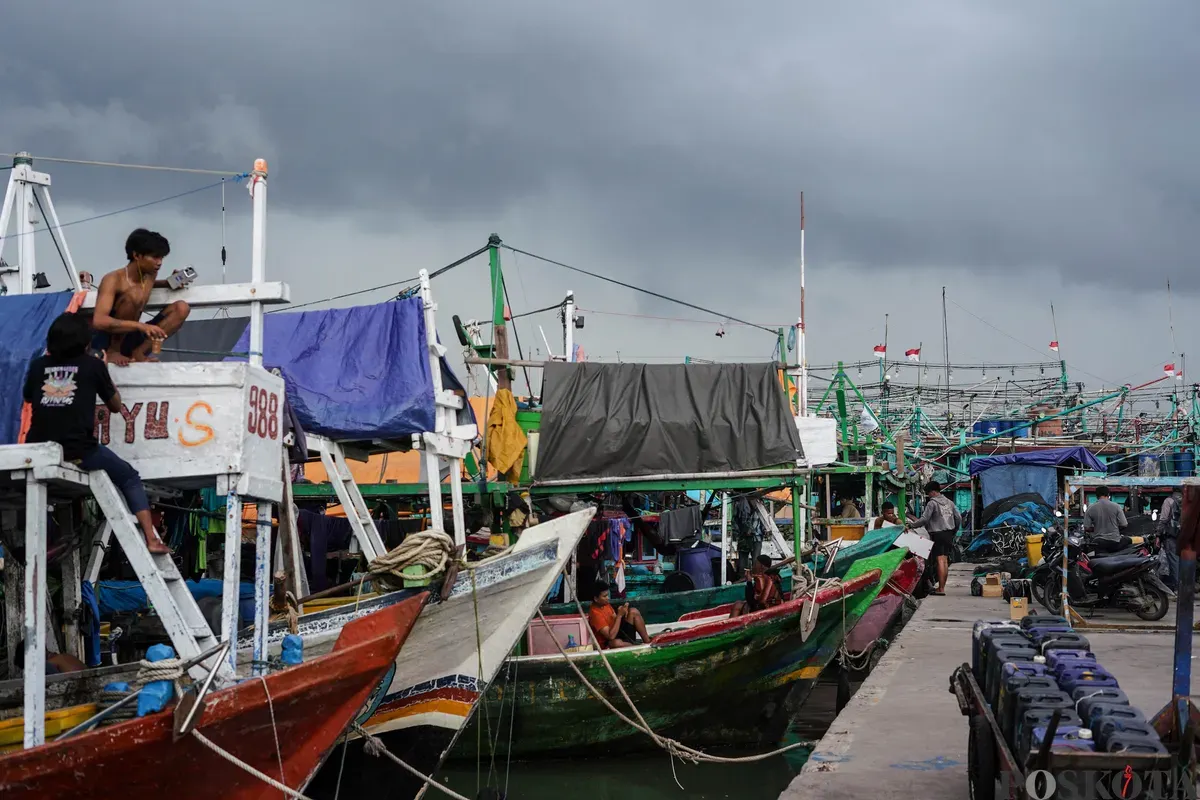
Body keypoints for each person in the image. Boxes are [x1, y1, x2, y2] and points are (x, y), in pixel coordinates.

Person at [23, 313, 170, 554]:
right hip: (77, 449)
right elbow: (114, 406)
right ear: (85, 341)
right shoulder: (92, 365)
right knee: (129, 477)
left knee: (36, 495)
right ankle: (152, 540)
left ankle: (47, 541)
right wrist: (103, 370)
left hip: (38, 447)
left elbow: (28, 397)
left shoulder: (39, 365)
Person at [90, 228, 190, 365]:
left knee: (182, 308)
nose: (159, 262)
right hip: (107, 341)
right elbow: (99, 321)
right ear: (137, 255)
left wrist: (170, 282)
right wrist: (140, 326)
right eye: (155, 257)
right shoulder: (113, 279)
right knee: (131, 297)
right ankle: (114, 351)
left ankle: (139, 352)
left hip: (133, 336)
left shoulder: (150, 274)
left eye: (161, 257)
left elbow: (142, 285)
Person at [906, 481, 961, 596]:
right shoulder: (949, 503)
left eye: (928, 493)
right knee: (945, 560)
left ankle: (941, 589)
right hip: (948, 533)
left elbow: (924, 519)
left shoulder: (932, 503)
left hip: (938, 534)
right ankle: (942, 587)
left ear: (932, 492)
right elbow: (958, 517)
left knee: (940, 560)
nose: (928, 495)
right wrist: (954, 531)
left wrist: (911, 525)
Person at [587, 582, 652, 648]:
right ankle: (637, 646)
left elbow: (615, 619)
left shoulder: (605, 604)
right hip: (608, 643)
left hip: (618, 633)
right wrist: (619, 615)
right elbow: (610, 636)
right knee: (616, 643)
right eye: (604, 596)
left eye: (607, 595)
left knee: (633, 611)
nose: (608, 598)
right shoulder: (595, 614)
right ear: (596, 599)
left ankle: (648, 642)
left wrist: (623, 612)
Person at [1083, 486, 1129, 554]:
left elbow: (1086, 528)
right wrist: (1114, 528)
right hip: (1115, 541)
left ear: (1096, 496)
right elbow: (1124, 524)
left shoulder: (1090, 508)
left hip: (1098, 542)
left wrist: (1096, 528)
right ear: (1108, 495)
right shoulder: (1116, 506)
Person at [1157, 490, 1182, 591]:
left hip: (1172, 535)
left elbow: (1163, 519)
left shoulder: (1169, 501)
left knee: (1174, 561)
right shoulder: (1189, 501)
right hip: (1187, 536)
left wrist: (1158, 534)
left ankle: (1177, 588)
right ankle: (1186, 586)